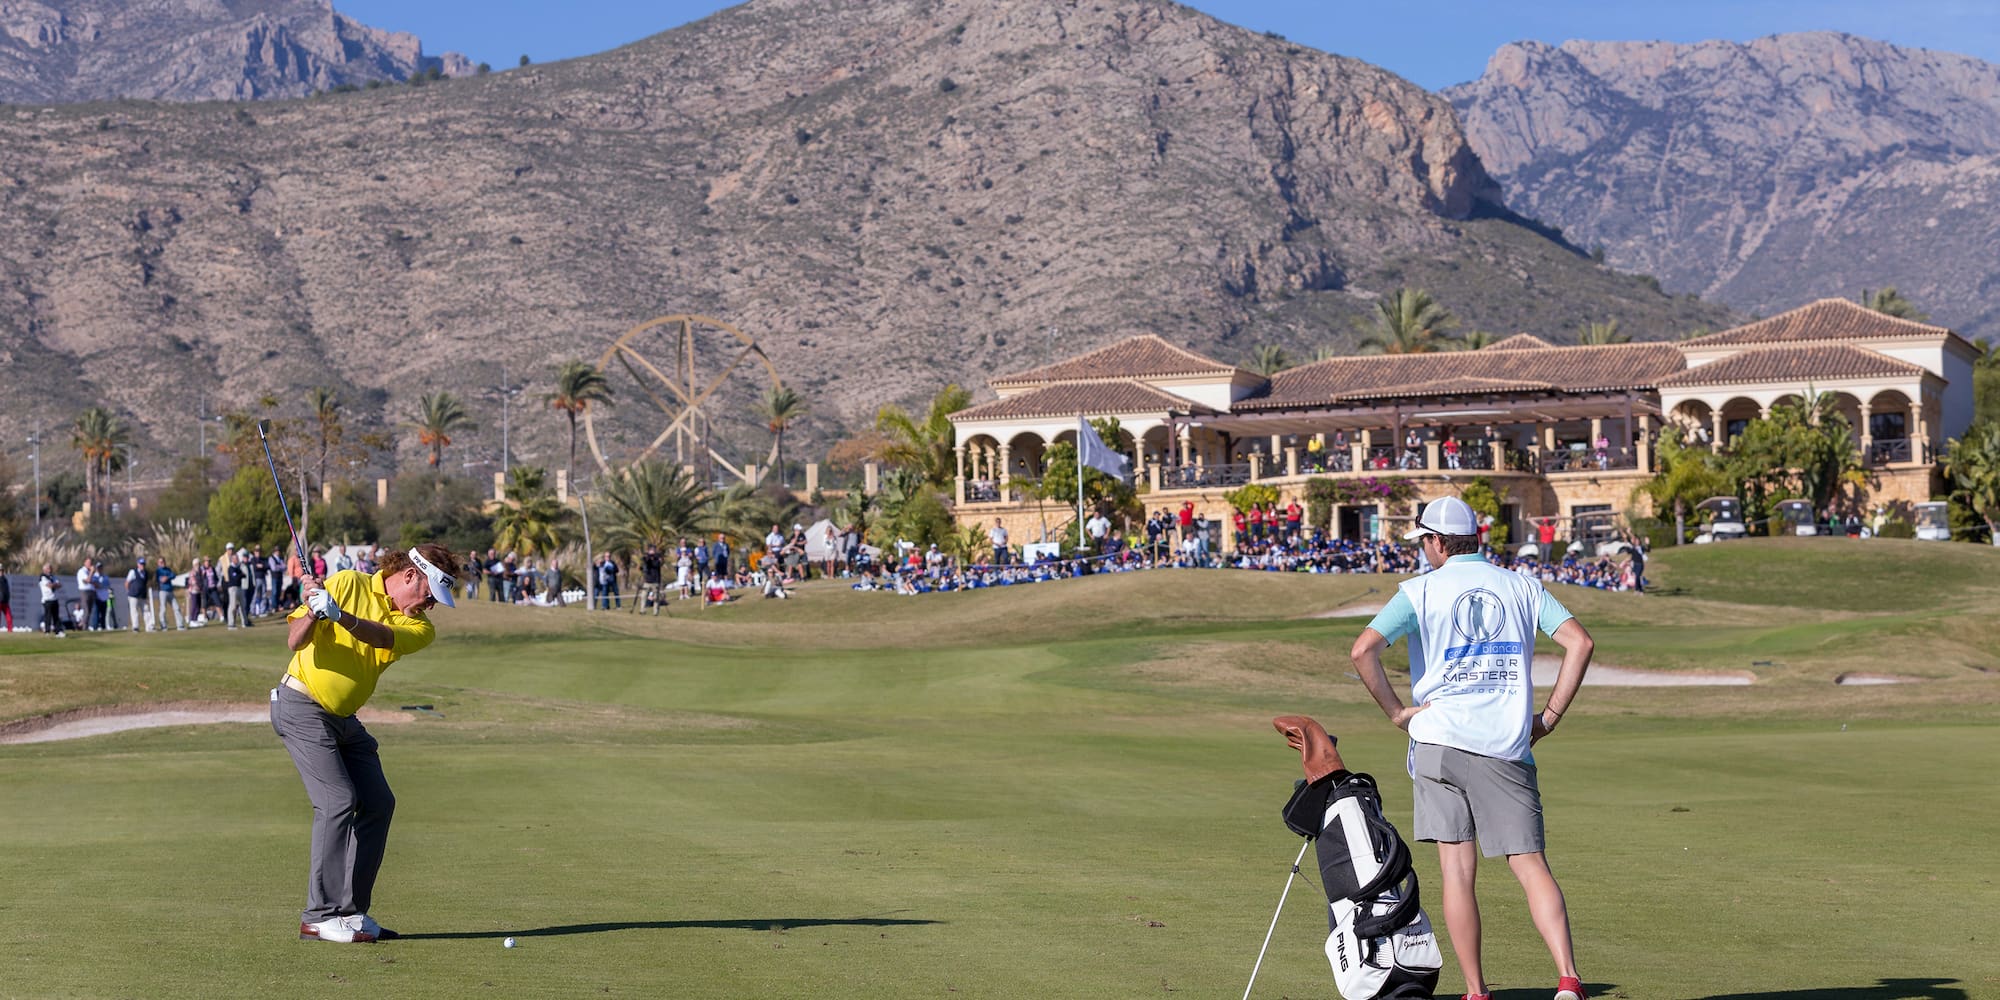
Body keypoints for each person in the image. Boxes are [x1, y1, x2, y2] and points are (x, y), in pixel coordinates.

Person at [1349, 497, 1594, 1000]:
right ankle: (1568, 980)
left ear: (1437, 542)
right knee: (1529, 865)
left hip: (1437, 742)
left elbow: (1362, 651)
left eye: (1424, 542)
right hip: (1504, 746)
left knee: (1457, 874)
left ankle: (1477, 991)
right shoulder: (1523, 587)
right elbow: (1580, 643)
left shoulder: (1417, 591)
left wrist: (1397, 714)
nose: (1423, 551)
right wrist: (1548, 719)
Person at [274, 543, 463, 944]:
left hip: (345, 721)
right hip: (302, 705)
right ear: (411, 575)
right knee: (337, 800)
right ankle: (318, 916)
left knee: (378, 802)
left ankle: (351, 913)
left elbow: (380, 636)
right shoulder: (346, 583)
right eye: (429, 596)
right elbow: (295, 641)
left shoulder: (420, 629)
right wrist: (313, 609)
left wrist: (340, 616)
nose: (429, 607)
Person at [38, 563, 65, 636]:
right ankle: (47, 631)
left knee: (56, 616)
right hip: (47, 599)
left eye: (50, 568)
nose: (50, 570)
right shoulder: (43, 577)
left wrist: (54, 585)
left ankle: (58, 631)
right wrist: (54, 585)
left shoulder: (53, 577)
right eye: (48, 568)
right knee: (48, 616)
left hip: (54, 599)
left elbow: (59, 585)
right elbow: (50, 585)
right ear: (44, 570)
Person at [126, 557, 150, 632]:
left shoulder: (145, 573)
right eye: (141, 564)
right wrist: (129, 591)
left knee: (146, 610)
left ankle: (149, 626)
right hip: (133, 595)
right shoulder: (133, 572)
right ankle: (135, 627)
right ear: (138, 564)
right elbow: (127, 582)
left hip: (142, 595)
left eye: (143, 564)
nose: (142, 565)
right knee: (134, 611)